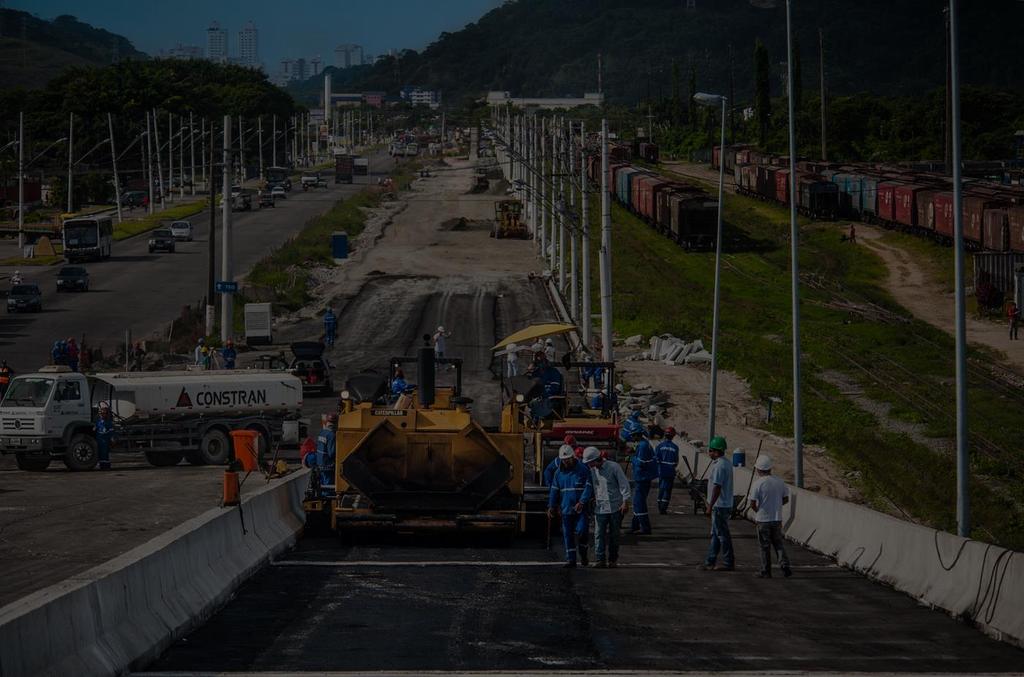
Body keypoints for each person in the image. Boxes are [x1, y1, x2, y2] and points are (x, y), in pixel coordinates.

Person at [547, 444, 594, 568]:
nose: (566, 462)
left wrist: (582, 502)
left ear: (573, 457)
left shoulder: (583, 470)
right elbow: (554, 490)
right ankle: (571, 560)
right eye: (563, 460)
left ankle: (583, 554)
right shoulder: (558, 473)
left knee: (582, 531)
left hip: (581, 509)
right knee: (567, 535)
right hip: (566, 509)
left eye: (568, 459)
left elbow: (589, 487)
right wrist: (551, 506)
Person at [584, 446, 630, 567]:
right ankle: (600, 559)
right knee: (598, 534)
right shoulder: (592, 471)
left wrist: (625, 501)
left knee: (614, 535)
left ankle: (613, 560)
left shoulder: (614, 467)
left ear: (596, 460)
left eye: (590, 463)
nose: (589, 465)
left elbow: (623, 484)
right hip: (600, 508)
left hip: (616, 507)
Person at [748, 454, 792, 578]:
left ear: (758, 469)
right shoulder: (779, 481)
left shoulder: (758, 484)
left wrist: (759, 511)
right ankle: (784, 564)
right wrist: (777, 506)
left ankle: (765, 571)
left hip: (763, 520)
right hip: (776, 518)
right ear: (770, 468)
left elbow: (752, 503)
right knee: (778, 543)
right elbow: (785, 499)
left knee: (764, 546)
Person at [701, 435, 735, 571]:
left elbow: (717, 487)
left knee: (722, 535)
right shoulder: (725, 463)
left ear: (716, 451)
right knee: (716, 534)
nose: (709, 452)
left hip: (720, 505)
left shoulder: (720, 466)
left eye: (710, 450)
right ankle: (710, 560)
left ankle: (728, 562)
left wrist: (710, 506)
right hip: (723, 505)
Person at [630, 429, 657, 534]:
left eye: (633, 436)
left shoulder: (643, 446)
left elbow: (641, 463)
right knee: (637, 503)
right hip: (641, 478)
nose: (632, 438)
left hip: (642, 478)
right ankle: (635, 526)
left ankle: (645, 527)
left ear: (637, 435)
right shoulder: (643, 444)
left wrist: (633, 458)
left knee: (639, 503)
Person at [303, 412, 337, 496]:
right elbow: (332, 453)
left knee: (322, 485)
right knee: (328, 488)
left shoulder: (322, 432)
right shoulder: (331, 435)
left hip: (320, 464)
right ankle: (327, 504)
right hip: (328, 466)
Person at [655, 427, 680, 515]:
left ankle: (659, 506)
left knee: (661, 488)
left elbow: (656, 458)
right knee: (668, 490)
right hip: (670, 471)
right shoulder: (675, 447)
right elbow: (676, 461)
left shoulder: (659, 446)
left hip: (661, 470)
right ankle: (663, 508)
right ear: (673, 436)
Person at [95, 402, 115, 470]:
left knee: (105, 454)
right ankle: (102, 466)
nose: (101, 415)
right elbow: (95, 429)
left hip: (105, 440)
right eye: (100, 413)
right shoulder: (98, 422)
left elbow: (111, 431)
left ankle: (106, 466)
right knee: (100, 454)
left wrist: (112, 438)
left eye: (103, 413)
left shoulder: (108, 422)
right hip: (99, 440)